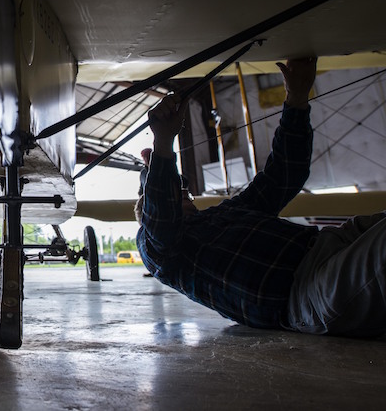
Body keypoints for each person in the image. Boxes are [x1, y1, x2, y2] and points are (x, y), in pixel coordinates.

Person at [137, 57, 386, 337]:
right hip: (310, 289)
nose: (182, 191)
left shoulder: (222, 215)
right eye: (168, 191)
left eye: (181, 189)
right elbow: (161, 223)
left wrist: (296, 98)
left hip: (332, 243)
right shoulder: (156, 249)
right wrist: (162, 146)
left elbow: (282, 176)